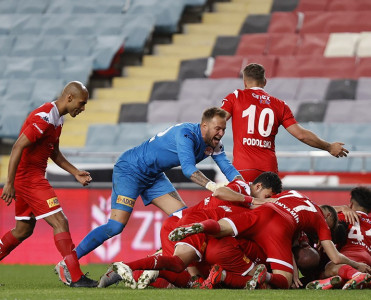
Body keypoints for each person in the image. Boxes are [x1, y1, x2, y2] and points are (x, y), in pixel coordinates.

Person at [56, 107, 243, 284]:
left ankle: (160, 262)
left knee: (183, 218)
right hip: (131, 169)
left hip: (153, 175)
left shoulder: (214, 144)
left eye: (224, 129)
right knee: (115, 226)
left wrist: (244, 185)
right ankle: (67, 262)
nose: (221, 133)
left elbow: (228, 168)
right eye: (218, 128)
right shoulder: (186, 134)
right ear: (204, 126)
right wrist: (213, 186)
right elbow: (188, 169)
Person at [99, 172, 282, 289]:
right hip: (193, 224)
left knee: (191, 279)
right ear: (258, 187)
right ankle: (128, 266)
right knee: (180, 266)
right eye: (267, 196)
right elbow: (219, 193)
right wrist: (257, 201)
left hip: (188, 224)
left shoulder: (244, 207)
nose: (265, 202)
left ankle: (145, 272)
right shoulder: (243, 187)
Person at [0, 81, 97, 287]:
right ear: (69, 98)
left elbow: (54, 152)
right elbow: (17, 146)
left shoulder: (57, 119)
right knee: (60, 222)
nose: (83, 108)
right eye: (81, 103)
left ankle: (74, 274)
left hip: (31, 177)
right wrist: (9, 183)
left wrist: (75, 173)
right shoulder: (44, 118)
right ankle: (75, 277)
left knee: (23, 230)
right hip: (30, 179)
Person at [169, 190, 371, 289]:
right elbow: (335, 257)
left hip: (263, 212)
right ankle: (264, 276)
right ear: (328, 219)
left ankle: (201, 227)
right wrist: (358, 265)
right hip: (278, 229)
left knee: (222, 228)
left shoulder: (294, 193)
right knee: (284, 280)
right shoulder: (320, 222)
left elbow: (271, 201)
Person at [220, 63, 349, 182]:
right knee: (268, 206)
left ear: (244, 82)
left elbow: (217, 121)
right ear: (265, 82)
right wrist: (328, 147)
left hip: (243, 168)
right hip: (268, 170)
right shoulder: (280, 105)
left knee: (240, 206)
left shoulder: (236, 96)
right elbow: (301, 135)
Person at [306, 186, 371, 290]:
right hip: (368, 260)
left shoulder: (342, 216)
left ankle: (354, 275)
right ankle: (343, 281)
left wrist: (340, 208)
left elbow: (313, 211)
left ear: (351, 204)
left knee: (329, 268)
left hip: (348, 257)